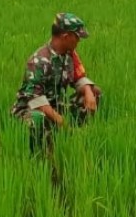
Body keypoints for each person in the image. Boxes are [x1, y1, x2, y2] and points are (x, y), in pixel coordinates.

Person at [11, 12, 101, 153]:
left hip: (55, 105)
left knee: (95, 92)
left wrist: (89, 93)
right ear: (66, 37)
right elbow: (36, 101)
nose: (79, 41)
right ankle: (39, 152)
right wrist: (62, 122)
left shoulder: (69, 54)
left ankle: (79, 136)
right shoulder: (39, 61)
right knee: (38, 118)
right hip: (31, 110)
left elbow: (80, 78)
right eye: (77, 37)